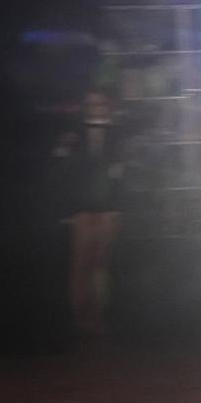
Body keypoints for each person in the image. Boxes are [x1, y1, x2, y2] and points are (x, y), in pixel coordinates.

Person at [53, 91, 124, 337]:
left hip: (107, 209)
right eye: (91, 103)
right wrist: (68, 210)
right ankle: (78, 321)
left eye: (100, 102)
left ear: (108, 105)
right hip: (81, 208)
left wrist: (117, 208)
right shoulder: (73, 136)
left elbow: (122, 175)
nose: (95, 107)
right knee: (80, 265)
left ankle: (98, 319)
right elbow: (63, 175)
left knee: (101, 265)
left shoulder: (118, 135)